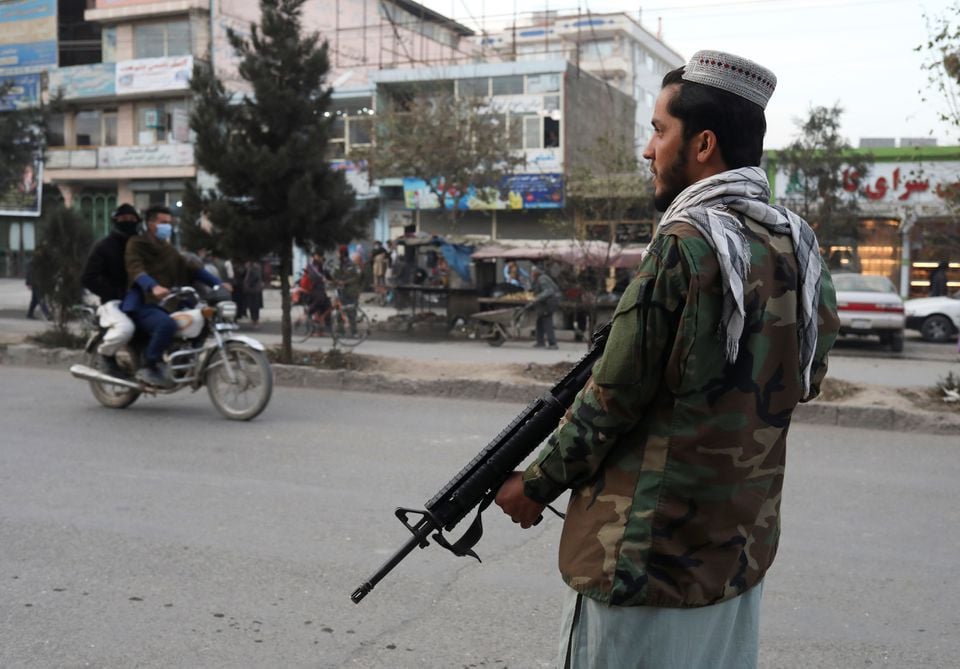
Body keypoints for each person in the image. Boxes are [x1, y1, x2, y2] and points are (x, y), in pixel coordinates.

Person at [495, 50, 840, 669]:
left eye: (659, 130)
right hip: (735, 554)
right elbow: (805, 377)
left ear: (703, 143)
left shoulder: (684, 246)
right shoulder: (795, 244)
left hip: (646, 561)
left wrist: (534, 484)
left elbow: (611, 397)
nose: (648, 150)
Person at [123, 205, 226, 387]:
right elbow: (135, 269)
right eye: (163, 223)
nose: (167, 227)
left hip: (168, 302)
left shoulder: (167, 248)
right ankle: (149, 365)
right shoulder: (136, 243)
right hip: (144, 303)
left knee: (201, 319)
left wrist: (217, 283)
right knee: (166, 325)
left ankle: (187, 363)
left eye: (169, 223)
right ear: (151, 224)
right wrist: (152, 286)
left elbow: (189, 267)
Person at [80, 203, 140, 377]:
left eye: (132, 219)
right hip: (113, 302)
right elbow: (88, 277)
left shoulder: (141, 245)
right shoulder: (104, 246)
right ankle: (106, 355)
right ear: (116, 221)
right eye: (124, 219)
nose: (128, 222)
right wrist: (115, 293)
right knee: (125, 329)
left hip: (141, 300)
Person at [529, 264, 560, 349]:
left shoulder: (542, 278)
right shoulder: (538, 279)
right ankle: (540, 342)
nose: (531, 273)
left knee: (547, 322)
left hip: (549, 303)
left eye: (532, 271)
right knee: (539, 321)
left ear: (536, 272)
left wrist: (537, 298)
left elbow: (548, 291)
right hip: (544, 304)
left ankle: (553, 344)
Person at [333, 245, 362, 336]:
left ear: (342, 253)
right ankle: (340, 331)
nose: (337, 254)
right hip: (341, 292)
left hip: (351, 292)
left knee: (352, 312)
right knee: (339, 313)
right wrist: (337, 282)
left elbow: (357, 277)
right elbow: (334, 277)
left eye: (338, 253)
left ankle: (354, 332)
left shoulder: (352, 264)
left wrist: (345, 282)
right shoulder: (337, 265)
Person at [24, 256, 51, 320]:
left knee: (35, 300)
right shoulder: (33, 262)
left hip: (39, 283)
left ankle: (29, 314)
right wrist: (28, 283)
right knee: (41, 298)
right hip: (36, 284)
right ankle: (47, 314)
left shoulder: (41, 262)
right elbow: (29, 273)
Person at [243, 259, 264, 327]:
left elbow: (255, 277)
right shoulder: (252, 267)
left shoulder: (254, 267)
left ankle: (255, 319)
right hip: (253, 290)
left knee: (254, 305)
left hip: (254, 290)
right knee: (253, 305)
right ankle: (254, 319)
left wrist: (249, 284)